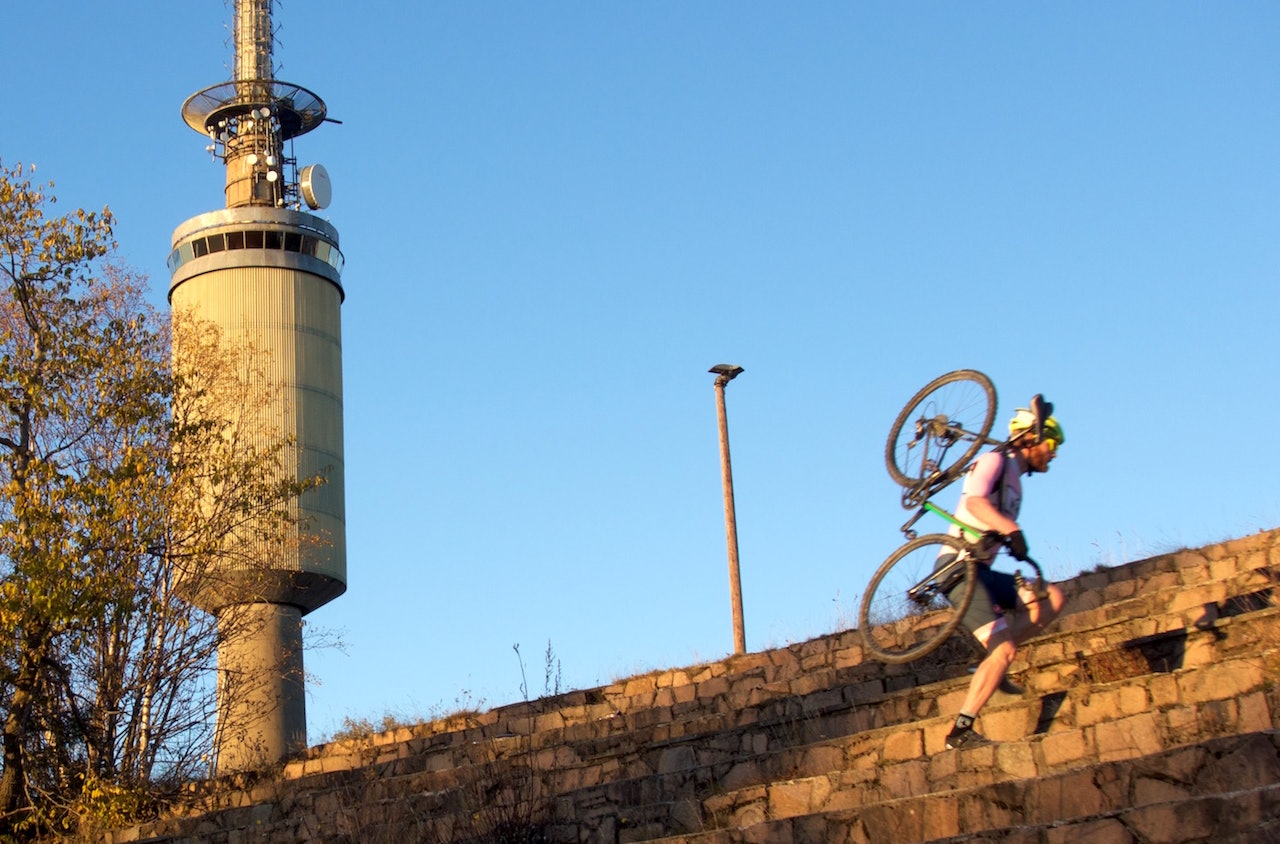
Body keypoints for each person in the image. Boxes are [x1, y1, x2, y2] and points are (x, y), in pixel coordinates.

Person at [943, 407, 1067, 750]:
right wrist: (1011, 529)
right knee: (1005, 650)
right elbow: (975, 502)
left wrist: (1010, 541)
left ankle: (991, 664)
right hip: (959, 568)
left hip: (982, 570)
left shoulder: (1016, 479)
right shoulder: (994, 460)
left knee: (1051, 599)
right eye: (1052, 442)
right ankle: (960, 732)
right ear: (1031, 437)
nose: (1055, 452)